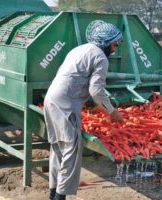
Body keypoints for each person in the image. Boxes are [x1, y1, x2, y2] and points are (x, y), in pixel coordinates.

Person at [44, 20, 124, 200]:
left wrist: (86, 101)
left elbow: (74, 78)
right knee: (71, 151)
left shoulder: (79, 49)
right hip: (65, 104)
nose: (115, 48)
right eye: (115, 44)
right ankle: (59, 197)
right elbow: (96, 90)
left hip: (51, 98)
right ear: (106, 42)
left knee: (58, 148)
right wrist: (112, 111)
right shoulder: (101, 58)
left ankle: (52, 194)